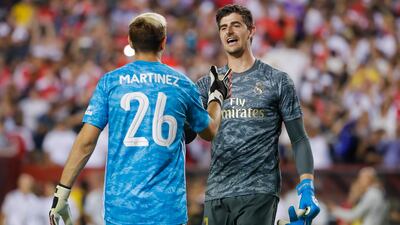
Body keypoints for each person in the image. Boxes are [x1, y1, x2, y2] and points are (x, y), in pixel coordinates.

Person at [48, 12, 231, 225]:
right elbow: (210, 131)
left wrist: (62, 191)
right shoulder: (183, 85)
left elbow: (86, 141)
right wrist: (217, 96)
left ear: (130, 42)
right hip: (167, 211)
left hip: (121, 210)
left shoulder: (111, 82)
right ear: (163, 42)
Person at [192, 4, 320, 225]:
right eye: (223, 28)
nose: (229, 32)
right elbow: (187, 133)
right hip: (216, 193)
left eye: (235, 25)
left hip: (259, 191)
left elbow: (299, 138)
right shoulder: (207, 84)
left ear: (251, 30)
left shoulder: (277, 81)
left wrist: (307, 187)